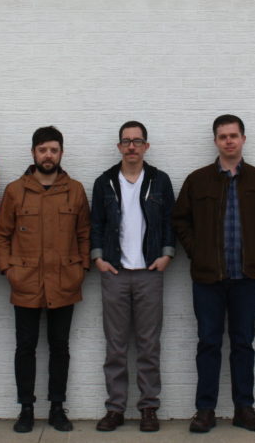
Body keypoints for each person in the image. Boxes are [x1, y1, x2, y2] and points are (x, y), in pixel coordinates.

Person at [173, 114, 255, 433]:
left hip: (246, 278)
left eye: (234, 135)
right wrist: (197, 251)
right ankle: (205, 410)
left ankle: (243, 408)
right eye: (223, 136)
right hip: (207, 279)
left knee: (243, 343)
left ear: (243, 139)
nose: (229, 141)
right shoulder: (197, 180)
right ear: (216, 141)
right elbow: (180, 220)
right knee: (208, 343)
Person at [0, 126, 90, 433]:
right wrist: (8, 270)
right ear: (33, 153)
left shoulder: (75, 190)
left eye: (54, 150)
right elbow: (1, 234)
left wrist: (81, 269)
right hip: (26, 281)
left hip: (64, 281)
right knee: (25, 347)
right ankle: (26, 409)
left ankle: (57, 408)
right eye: (43, 150)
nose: (48, 155)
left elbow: (85, 234)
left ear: (61, 153)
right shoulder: (15, 191)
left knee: (60, 347)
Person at [91, 121, 175, 433]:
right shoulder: (105, 182)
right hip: (114, 273)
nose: (131, 146)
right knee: (115, 346)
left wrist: (166, 255)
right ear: (119, 147)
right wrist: (98, 259)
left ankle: (148, 408)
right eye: (126, 141)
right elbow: (96, 222)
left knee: (148, 345)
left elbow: (170, 220)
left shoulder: (159, 180)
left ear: (146, 146)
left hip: (149, 273)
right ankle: (115, 409)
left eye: (137, 141)